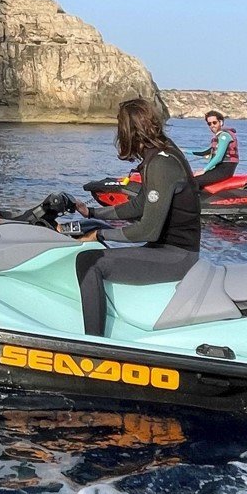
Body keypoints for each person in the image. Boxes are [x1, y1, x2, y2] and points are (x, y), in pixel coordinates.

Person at [71, 99, 201, 337]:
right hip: (166, 250)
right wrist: (93, 213)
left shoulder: (161, 163)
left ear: (128, 131)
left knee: (88, 262)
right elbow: (138, 205)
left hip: (176, 256)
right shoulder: (161, 153)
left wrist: (99, 234)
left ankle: (94, 344)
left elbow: (147, 230)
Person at [187, 110, 239, 188]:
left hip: (225, 170)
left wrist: (204, 170)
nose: (212, 125)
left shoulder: (224, 136)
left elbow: (218, 157)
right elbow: (205, 152)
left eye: (214, 122)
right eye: (209, 124)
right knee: (190, 178)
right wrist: (183, 151)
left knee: (193, 182)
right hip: (218, 169)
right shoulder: (218, 136)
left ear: (220, 122)